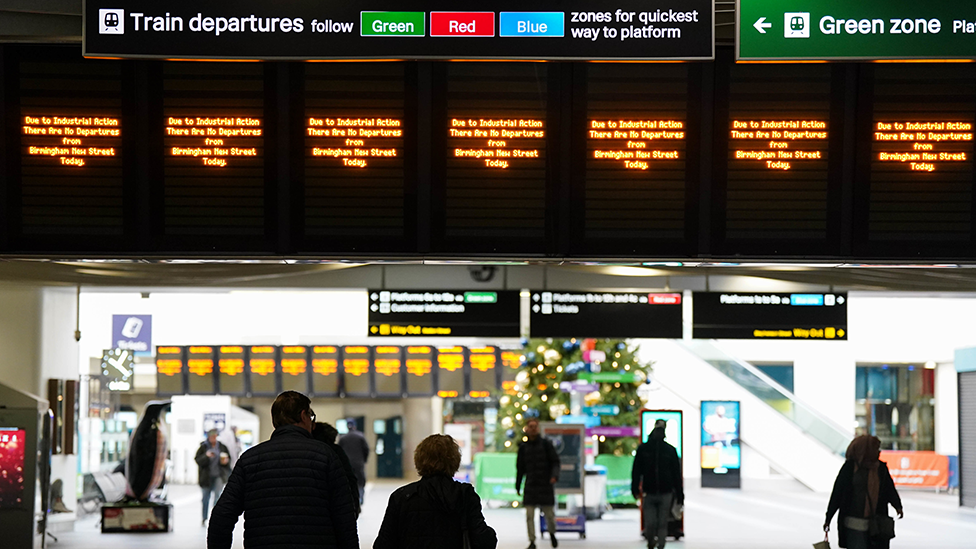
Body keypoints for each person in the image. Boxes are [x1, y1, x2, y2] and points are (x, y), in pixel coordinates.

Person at [207, 391, 359, 549]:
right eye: (311, 416)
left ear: (275, 422)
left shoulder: (250, 459)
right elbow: (345, 519)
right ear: (303, 416)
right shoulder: (326, 456)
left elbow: (222, 516)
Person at [374, 434, 497, 549]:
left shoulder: (402, 496)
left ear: (419, 459)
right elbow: (483, 541)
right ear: (455, 461)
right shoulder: (465, 495)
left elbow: (383, 544)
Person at [825, 435, 904, 549]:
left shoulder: (880, 468)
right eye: (875, 448)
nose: (878, 452)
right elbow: (838, 493)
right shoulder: (850, 468)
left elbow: (889, 489)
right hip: (854, 523)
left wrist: (897, 506)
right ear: (864, 449)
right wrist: (828, 518)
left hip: (877, 523)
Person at [631, 426, 683, 549]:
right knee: (657, 521)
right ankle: (655, 542)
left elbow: (636, 471)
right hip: (657, 491)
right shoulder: (668, 450)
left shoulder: (645, 449)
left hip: (657, 491)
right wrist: (679, 494)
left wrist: (635, 488)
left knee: (658, 521)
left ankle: (659, 544)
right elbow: (676, 475)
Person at [515, 418, 560, 549]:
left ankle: (552, 533)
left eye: (535, 426)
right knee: (529, 515)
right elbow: (520, 469)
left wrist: (554, 476)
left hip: (545, 484)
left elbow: (555, 462)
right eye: (531, 426)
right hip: (531, 485)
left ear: (538, 428)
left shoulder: (546, 445)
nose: (533, 429)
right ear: (527, 429)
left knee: (549, 515)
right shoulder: (523, 448)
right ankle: (532, 541)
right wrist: (518, 485)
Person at [312, 421, 362, 517]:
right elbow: (350, 481)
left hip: (316, 511)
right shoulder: (336, 451)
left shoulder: (309, 451)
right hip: (337, 509)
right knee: (361, 482)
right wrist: (355, 507)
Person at [195, 428, 231, 525]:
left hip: (218, 475)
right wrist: (206, 456)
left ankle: (215, 517)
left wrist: (225, 462)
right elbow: (197, 460)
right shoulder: (203, 447)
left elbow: (228, 461)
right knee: (205, 498)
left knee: (217, 497)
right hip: (206, 477)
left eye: (214, 436)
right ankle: (204, 517)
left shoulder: (222, 447)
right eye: (211, 436)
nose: (213, 438)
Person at [338, 418, 370, 504]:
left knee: (348, 481)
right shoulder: (360, 436)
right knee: (360, 481)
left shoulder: (343, 438)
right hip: (359, 463)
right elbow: (366, 449)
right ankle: (360, 498)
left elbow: (338, 450)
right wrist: (364, 460)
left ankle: (350, 499)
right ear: (355, 426)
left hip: (347, 463)